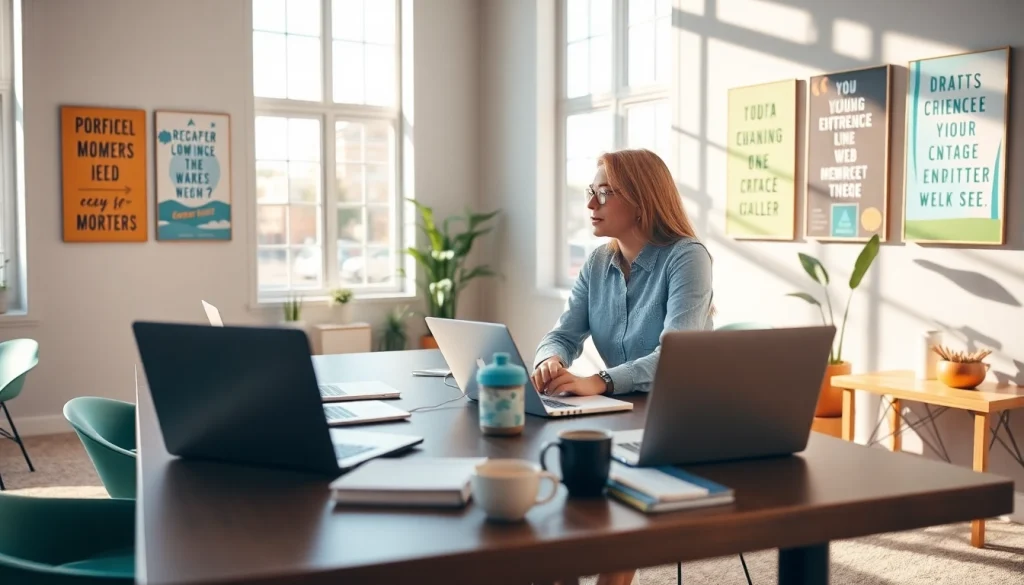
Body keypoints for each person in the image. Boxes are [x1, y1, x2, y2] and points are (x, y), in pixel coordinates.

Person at [531, 148, 714, 585]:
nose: (589, 204)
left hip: (681, 417)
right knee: (548, 465)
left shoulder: (687, 257)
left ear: (641, 199)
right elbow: (562, 334)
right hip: (625, 410)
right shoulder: (598, 262)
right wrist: (549, 360)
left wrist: (599, 380)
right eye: (590, 191)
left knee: (606, 484)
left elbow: (676, 354)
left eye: (604, 193)